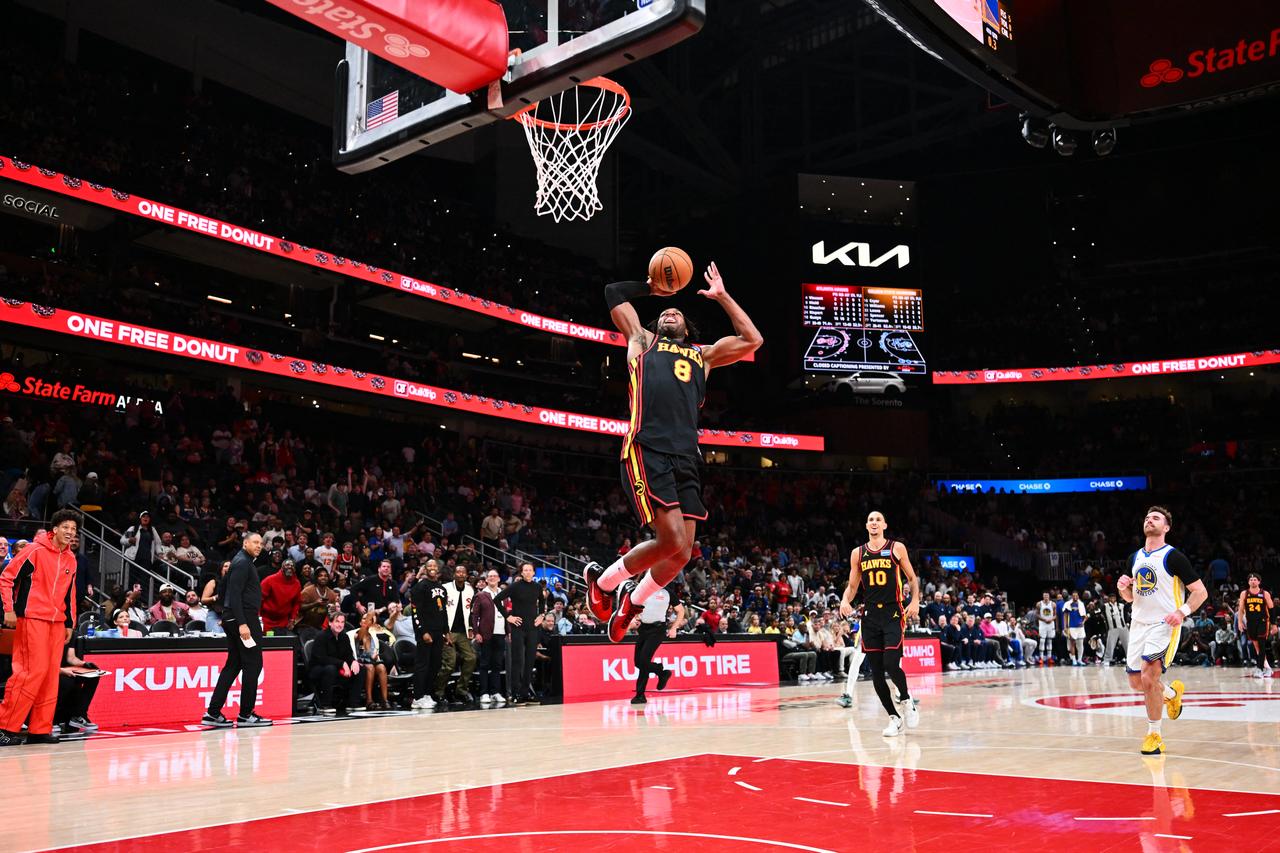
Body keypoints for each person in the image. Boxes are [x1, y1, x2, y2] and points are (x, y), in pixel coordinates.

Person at [583, 261, 763, 642]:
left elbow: (752, 340)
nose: (669, 313)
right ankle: (602, 583)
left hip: (687, 456)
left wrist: (723, 297)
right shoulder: (641, 340)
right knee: (669, 540)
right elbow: (613, 293)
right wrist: (652, 289)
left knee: (682, 553)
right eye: (665, 312)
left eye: (676, 312)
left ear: (686, 328)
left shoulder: (704, 356)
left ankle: (632, 602)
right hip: (647, 446)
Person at [1116, 507, 1207, 756]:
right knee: (1136, 682)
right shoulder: (1134, 558)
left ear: (1166, 527)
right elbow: (1129, 598)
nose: (1149, 519)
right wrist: (1122, 587)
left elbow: (1201, 591)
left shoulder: (1173, 557)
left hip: (1164, 625)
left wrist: (1182, 612)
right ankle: (1171, 693)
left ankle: (1154, 735)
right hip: (1138, 624)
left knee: (1148, 678)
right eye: (1147, 517)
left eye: (1156, 518)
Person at [0, 509, 80, 746]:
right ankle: (6, 727)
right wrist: (8, 609)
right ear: (54, 529)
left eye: (74, 529)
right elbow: (6, 578)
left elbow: (70, 595)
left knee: (49, 676)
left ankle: (40, 729)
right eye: (66, 527)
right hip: (32, 618)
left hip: (56, 624)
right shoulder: (33, 551)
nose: (70, 532)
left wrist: (69, 623)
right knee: (29, 673)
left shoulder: (71, 559)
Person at [839, 511, 921, 737]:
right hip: (870, 616)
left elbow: (912, 578)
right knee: (876, 672)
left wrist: (914, 601)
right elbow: (853, 585)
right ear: (866, 525)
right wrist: (845, 600)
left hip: (894, 613)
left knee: (891, 663)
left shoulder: (897, 548)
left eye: (878, 519)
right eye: (870, 520)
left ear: (884, 524)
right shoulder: (858, 553)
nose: (874, 522)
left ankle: (906, 699)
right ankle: (894, 718)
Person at [201, 532, 272, 728]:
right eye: (255, 542)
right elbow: (234, 594)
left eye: (261, 543)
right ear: (245, 543)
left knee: (233, 665)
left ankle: (213, 712)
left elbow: (224, 589)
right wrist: (241, 623)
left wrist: (225, 614)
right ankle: (246, 714)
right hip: (244, 618)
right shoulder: (242, 563)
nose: (259, 546)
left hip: (234, 617)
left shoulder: (240, 561)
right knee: (253, 664)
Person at [491, 562, 545, 705]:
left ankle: (525, 693)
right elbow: (496, 599)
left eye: (530, 570)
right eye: (525, 570)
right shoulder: (515, 586)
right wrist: (508, 617)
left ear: (534, 572)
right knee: (517, 661)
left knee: (529, 661)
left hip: (533, 628)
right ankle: (515, 694)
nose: (527, 572)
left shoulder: (538, 587)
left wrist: (542, 616)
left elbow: (543, 602)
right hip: (518, 628)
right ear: (521, 572)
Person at [630, 582, 685, 704]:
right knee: (638, 662)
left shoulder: (668, 592)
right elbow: (633, 607)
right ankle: (661, 673)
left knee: (644, 661)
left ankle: (640, 694)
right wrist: (636, 617)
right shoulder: (642, 589)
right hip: (643, 629)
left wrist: (674, 628)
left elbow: (681, 611)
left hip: (658, 630)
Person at [410, 561, 449, 709]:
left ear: (438, 569)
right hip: (425, 632)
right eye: (429, 566)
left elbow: (443, 611)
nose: (432, 568)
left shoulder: (441, 589)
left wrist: (446, 631)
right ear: (425, 569)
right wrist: (423, 631)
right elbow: (416, 612)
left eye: (435, 566)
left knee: (435, 664)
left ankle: (427, 693)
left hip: (439, 632)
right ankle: (417, 697)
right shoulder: (420, 587)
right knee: (422, 665)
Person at [437, 563, 476, 704]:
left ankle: (461, 690)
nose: (460, 574)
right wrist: (443, 631)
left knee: (471, 658)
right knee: (450, 662)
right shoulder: (445, 588)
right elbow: (439, 609)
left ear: (466, 575)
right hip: (448, 631)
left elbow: (471, 612)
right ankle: (438, 692)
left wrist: (471, 628)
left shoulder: (470, 590)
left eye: (462, 572)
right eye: (458, 572)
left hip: (463, 632)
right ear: (454, 574)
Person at [471, 569, 508, 705]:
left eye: (495, 576)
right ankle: (484, 693)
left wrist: (508, 631)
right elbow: (474, 616)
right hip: (486, 634)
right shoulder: (481, 595)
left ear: (499, 579)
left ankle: (495, 692)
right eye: (490, 576)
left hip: (500, 632)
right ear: (486, 580)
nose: (492, 578)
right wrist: (477, 632)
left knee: (497, 664)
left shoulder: (503, 594)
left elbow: (506, 614)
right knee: (485, 664)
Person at [308, 611, 356, 715]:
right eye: (337, 621)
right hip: (318, 668)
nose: (340, 624)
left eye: (342, 622)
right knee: (330, 669)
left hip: (336, 667)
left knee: (360, 669)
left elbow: (348, 655)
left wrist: (353, 662)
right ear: (330, 623)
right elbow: (321, 658)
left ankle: (353, 703)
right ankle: (325, 705)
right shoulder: (321, 636)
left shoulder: (344, 637)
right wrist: (342, 663)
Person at [54, 641, 101, 736]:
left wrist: (84, 664)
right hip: (52, 668)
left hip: (68, 669)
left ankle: (78, 715)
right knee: (66, 682)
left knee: (94, 676)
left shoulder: (71, 634)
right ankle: (53, 719)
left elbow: (71, 658)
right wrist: (60, 670)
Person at [349, 610, 390, 710]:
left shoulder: (373, 636)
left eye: (369, 620)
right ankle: (369, 700)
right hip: (358, 662)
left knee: (381, 667)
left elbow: (371, 655)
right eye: (364, 619)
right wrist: (370, 616)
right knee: (370, 667)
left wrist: (375, 655)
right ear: (360, 622)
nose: (366, 621)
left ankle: (385, 700)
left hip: (370, 661)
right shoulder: (354, 633)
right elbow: (360, 637)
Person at [1237, 573, 1274, 678]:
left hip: (1262, 621)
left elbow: (1271, 609)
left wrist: (1274, 624)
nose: (1253, 581)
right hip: (1251, 623)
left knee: (1261, 645)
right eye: (1251, 579)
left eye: (1255, 579)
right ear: (1248, 582)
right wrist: (1240, 622)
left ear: (1259, 582)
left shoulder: (1264, 593)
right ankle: (1268, 668)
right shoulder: (1244, 593)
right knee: (1257, 647)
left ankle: (1260, 669)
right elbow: (1240, 610)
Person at [260, 560, 302, 634]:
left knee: (281, 643)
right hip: (265, 619)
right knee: (266, 643)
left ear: (295, 569)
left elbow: (296, 603)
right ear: (281, 568)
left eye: (292, 566)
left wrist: (292, 619)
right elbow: (259, 599)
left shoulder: (297, 583)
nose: (290, 567)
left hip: (283, 621)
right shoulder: (269, 580)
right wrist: (258, 617)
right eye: (287, 565)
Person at [1103, 593, 1129, 666]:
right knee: (1110, 644)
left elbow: (1126, 613)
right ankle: (1107, 659)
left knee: (1128, 644)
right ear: (1109, 599)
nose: (1112, 599)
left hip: (1123, 627)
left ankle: (1130, 659)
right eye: (1111, 598)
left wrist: (1127, 623)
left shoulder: (1121, 605)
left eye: (1113, 597)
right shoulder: (1105, 606)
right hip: (1112, 628)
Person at [1062, 592, 1087, 666]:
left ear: (1078, 596)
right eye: (1074, 595)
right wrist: (1065, 627)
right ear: (1071, 596)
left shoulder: (1081, 604)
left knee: (1080, 644)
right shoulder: (1067, 604)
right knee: (1072, 643)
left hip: (1080, 627)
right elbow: (1065, 616)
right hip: (1072, 626)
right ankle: (1074, 660)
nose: (1075, 597)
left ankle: (1079, 660)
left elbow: (1084, 615)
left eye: (1076, 595)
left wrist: (1083, 622)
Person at [1035, 592, 1057, 664]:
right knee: (1042, 640)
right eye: (1044, 595)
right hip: (1043, 624)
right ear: (1043, 596)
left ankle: (1049, 658)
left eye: (1047, 595)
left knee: (1049, 641)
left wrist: (1051, 619)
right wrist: (1044, 619)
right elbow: (1037, 614)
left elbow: (1055, 615)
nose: (1046, 597)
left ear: (1049, 596)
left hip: (1050, 624)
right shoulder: (1039, 604)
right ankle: (1041, 657)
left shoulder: (1053, 604)